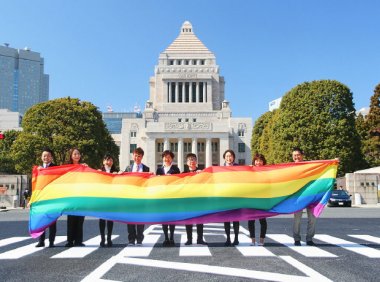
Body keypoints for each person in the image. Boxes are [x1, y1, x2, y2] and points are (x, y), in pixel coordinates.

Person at [124, 147, 150, 246]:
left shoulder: (146, 169)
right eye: (136, 155)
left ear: (142, 157)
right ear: (133, 155)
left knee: (140, 219)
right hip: (130, 197)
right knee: (130, 219)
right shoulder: (128, 168)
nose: (137, 158)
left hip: (141, 197)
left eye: (139, 156)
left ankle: (139, 238)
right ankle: (131, 239)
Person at [292, 147, 317, 246]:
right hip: (297, 197)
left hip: (310, 195)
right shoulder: (289, 167)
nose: (296, 157)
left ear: (302, 155)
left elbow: (322, 165)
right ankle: (296, 239)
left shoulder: (309, 166)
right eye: (294, 155)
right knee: (297, 219)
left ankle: (309, 238)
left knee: (312, 218)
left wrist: (333, 162)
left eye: (298, 155)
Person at [156, 150, 180, 247]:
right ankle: (166, 237)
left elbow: (179, 182)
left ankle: (172, 237)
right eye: (165, 157)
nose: (167, 159)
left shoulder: (176, 169)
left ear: (172, 159)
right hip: (162, 198)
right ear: (163, 158)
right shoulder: (159, 170)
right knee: (164, 219)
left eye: (169, 157)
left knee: (172, 218)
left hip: (172, 198)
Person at [183, 153, 207, 246]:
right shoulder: (183, 173)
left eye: (193, 159)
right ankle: (189, 239)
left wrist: (202, 174)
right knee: (188, 220)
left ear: (196, 161)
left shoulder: (201, 173)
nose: (191, 161)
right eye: (189, 159)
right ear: (187, 162)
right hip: (188, 200)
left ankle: (200, 238)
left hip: (198, 200)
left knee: (200, 220)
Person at [35, 148, 57, 248]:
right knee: (42, 220)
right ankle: (41, 241)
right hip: (41, 198)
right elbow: (35, 184)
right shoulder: (38, 169)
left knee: (52, 221)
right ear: (41, 157)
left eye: (48, 156)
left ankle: (51, 241)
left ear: (51, 157)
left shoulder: (56, 168)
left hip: (52, 198)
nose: (46, 157)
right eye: (44, 156)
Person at [65, 147, 86, 247]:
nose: (77, 155)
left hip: (81, 197)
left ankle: (79, 241)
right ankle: (69, 241)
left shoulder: (84, 167)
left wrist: (87, 168)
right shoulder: (68, 167)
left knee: (80, 220)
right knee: (71, 219)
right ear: (71, 156)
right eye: (75, 154)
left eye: (78, 154)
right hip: (71, 197)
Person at [248, 153, 268, 246]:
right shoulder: (250, 171)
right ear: (254, 161)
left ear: (263, 162)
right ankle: (252, 239)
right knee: (251, 220)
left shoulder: (267, 172)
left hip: (262, 199)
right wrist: (247, 169)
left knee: (262, 220)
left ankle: (261, 239)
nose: (258, 162)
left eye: (260, 160)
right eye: (256, 160)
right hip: (252, 198)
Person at [99, 154, 117, 247]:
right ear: (103, 162)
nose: (108, 162)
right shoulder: (99, 172)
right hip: (102, 198)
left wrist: (119, 174)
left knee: (110, 219)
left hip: (111, 198)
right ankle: (102, 238)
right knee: (102, 219)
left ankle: (109, 238)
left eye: (110, 160)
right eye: (106, 160)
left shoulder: (115, 172)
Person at [222, 149, 240, 246]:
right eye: (227, 156)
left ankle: (236, 238)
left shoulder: (238, 168)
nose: (229, 158)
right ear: (224, 158)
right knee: (226, 219)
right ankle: (228, 238)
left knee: (236, 219)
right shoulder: (220, 169)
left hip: (236, 197)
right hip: (225, 197)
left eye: (230, 156)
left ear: (233, 157)